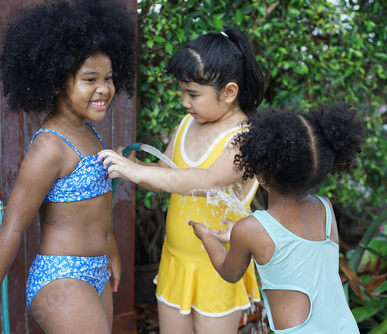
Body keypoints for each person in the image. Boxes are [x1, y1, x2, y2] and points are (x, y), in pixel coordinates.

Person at [0, 1, 136, 333]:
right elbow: (12, 226)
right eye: (90, 79)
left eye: (109, 78)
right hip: (62, 275)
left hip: (97, 272)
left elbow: (93, 206)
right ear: (57, 82)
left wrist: (109, 246)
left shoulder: (89, 131)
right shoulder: (49, 147)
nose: (104, 88)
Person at [99, 26, 264, 333]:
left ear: (229, 92)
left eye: (193, 94)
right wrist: (135, 166)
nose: (185, 102)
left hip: (219, 266)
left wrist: (137, 170)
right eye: (183, 92)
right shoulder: (189, 123)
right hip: (176, 259)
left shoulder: (244, 138)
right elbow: (166, 176)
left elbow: (208, 181)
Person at [189, 104, 364, 333]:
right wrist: (239, 233)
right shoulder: (325, 208)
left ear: (260, 174)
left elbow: (229, 272)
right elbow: (297, 252)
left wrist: (206, 236)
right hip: (344, 327)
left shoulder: (251, 230)